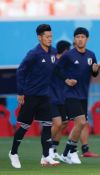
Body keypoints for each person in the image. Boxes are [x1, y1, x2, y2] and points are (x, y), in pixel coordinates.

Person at [9, 24, 60, 168]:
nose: (50, 39)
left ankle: (46, 156)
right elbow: (21, 71)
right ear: (39, 37)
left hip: (45, 96)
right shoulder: (34, 54)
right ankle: (13, 153)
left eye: (51, 36)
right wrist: (20, 92)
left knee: (47, 126)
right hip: (30, 95)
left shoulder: (54, 52)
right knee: (25, 126)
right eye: (47, 36)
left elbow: (56, 70)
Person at [56, 27, 99, 164]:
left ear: (87, 39)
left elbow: (94, 74)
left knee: (80, 124)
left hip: (83, 95)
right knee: (81, 122)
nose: (80, 39)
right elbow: (56, 70)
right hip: (70, 94)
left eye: (83, 37)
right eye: (77, 37)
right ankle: (68, 152)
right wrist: (66, 80)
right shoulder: (68, 55)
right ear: (74, 39)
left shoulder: (91, 55)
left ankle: (68, 152)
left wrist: (95, 71)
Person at [49, 40, 71, 160]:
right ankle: (47, 148)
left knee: (65, 123)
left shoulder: (66, 64)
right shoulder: (53, 62)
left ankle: (53, 148)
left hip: (63, 97)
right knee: (57, 123)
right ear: (65, 51)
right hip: (51, 97)